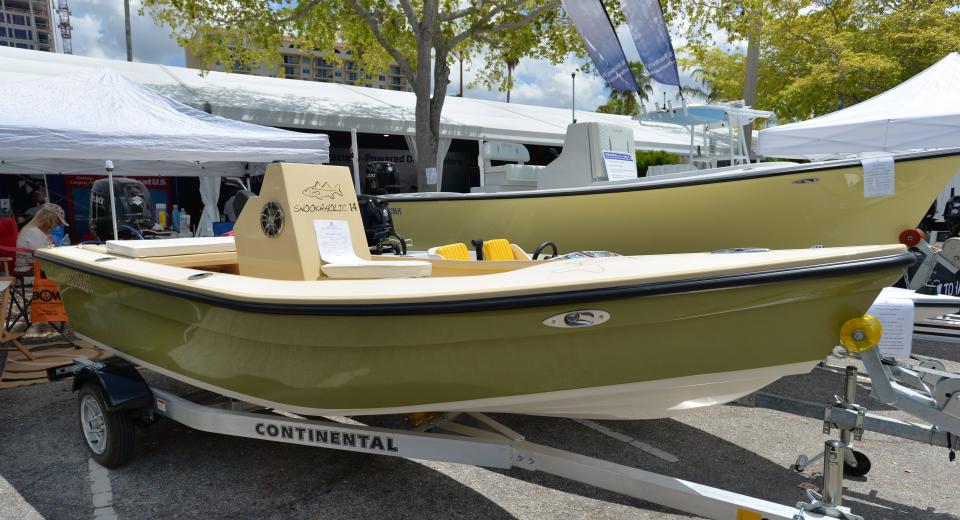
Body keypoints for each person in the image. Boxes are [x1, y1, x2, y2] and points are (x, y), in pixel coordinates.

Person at [15, 203, 69, 273]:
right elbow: (44, 258)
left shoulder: (40, 232)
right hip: (30, 272)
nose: (55, 227)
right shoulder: (32, 232)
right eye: (56, 223)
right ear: (48, 221)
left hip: (39, 270)